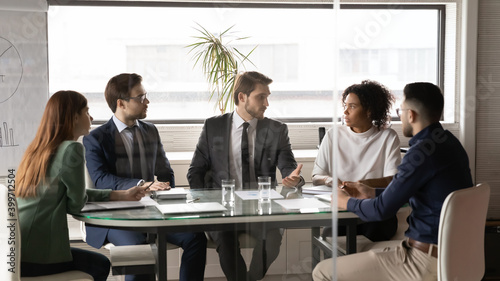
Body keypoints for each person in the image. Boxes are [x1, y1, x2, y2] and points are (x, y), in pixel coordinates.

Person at [312, 82, 473, 281]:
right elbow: (411, 193)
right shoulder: (449, 143)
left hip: (423, 260)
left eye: (401, 110)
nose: (399, 115)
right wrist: (371, 192)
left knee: (322, 271)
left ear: (411, 115)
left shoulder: (420, 154)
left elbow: (381, 210)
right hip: (456, 256)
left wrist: (345, 202)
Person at [83, 73, 207, 281]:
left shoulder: (151, 131)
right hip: (115, 216)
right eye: (140, 97)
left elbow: (165, 171)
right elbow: (101, 180)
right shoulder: (96, 138)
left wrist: (171, 197)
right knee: (139, 250)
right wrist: (143, 184)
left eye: (145, 96)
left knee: (196, 238)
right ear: (121, 103)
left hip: (153, 210)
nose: (146, 102)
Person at [15, 91, 147, 280]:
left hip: (19, 253)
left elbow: (69, 194)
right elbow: (75, 205)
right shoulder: (71, 149)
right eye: (87, 111)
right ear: (74, 117)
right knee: (101, 264)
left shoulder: (37, 150)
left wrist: (120, 195)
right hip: (40, 258)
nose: (91, 117)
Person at [188, 71, 304, 281]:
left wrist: (293, 179)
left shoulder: (276, 129)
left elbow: (288, 166)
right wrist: (205, 203)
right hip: (223, 208)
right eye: (261, 96)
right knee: (226, 241)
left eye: (268, 97)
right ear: (242, 97)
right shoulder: (213, 126)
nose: (267, 103)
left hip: (262, 209)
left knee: (273, 237)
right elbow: (195, 171)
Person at [312, 80, 401, 242]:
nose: (345, 112)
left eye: (352, 106)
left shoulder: (388, 137)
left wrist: (361, 185)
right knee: (330, 233)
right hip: (342, 209)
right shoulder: (333, 135)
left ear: (369, 111)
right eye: (345, 106)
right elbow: (317, 176)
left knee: (375, 231)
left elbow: (392, 180)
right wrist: (330, 180)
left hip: (374, 211)